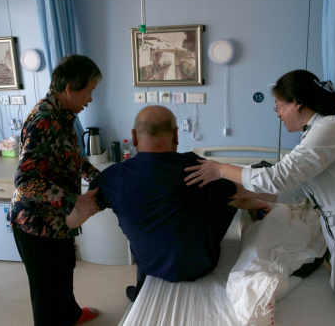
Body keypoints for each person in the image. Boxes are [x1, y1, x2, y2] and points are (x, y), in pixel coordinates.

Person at [184, 69, 335, 326]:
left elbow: (278, 176)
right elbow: (295, 191)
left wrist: (220, 168)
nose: (277, 113)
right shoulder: (314, 136)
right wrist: (236, 191)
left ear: (297, 102)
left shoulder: (331, 129)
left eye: (278, 105)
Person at [86, 105, 271, 302]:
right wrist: (256, 200)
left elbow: (79, 211)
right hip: (200, 265)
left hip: (151, 265)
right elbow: (240, 190)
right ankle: (257, 205)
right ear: (176, 135)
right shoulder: (196, 167)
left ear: (133, 136)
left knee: (143, 221)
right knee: (224, 195)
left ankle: (140, 287)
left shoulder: (114, 177)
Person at [7, 54, 103, 326]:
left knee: (64, 271)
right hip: (34, 222)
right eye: (89, 90)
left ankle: (71, 315)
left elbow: (71, 155)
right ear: (71, 87)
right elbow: (25, 180)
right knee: (46, 291)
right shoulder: (44, 119)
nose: (90, 99)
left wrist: (96, 177)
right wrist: (75, 201)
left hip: (56, 219)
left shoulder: (64, 114)